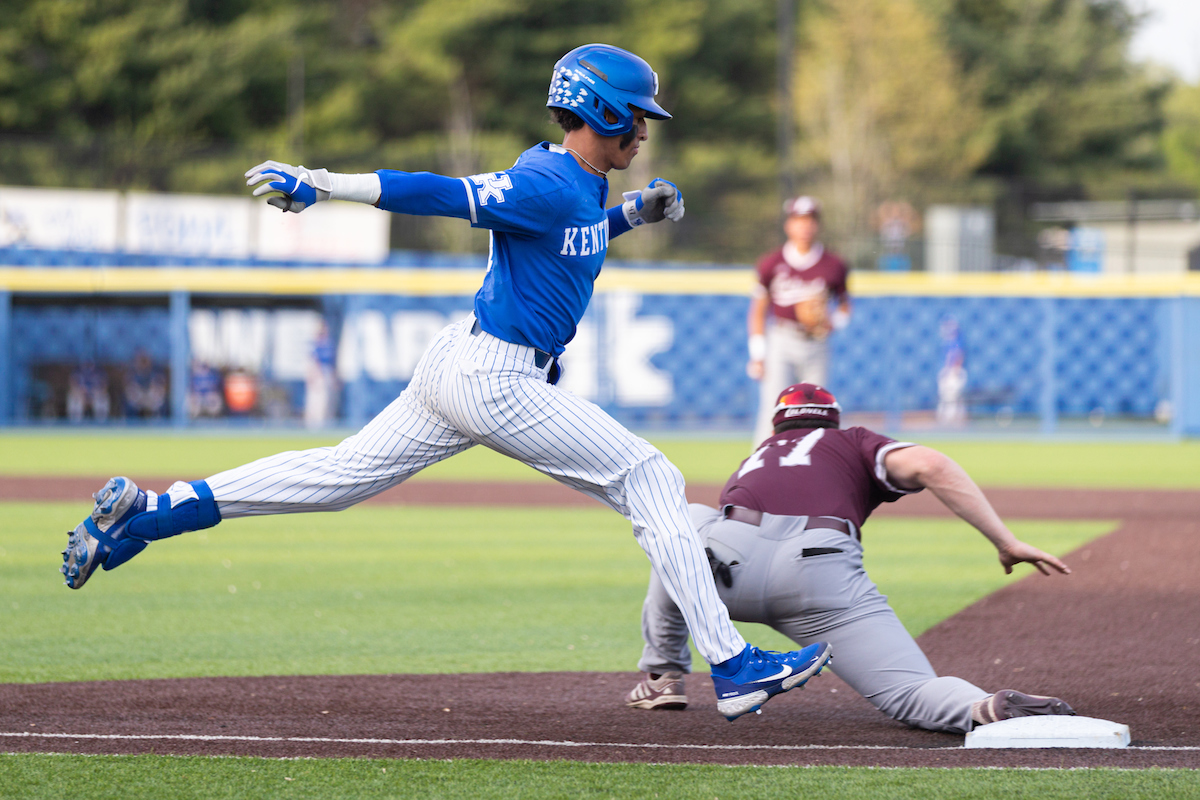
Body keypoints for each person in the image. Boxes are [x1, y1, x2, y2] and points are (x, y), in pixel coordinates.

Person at [59, 44, 831, 722]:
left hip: (460, 361)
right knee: (652, 477)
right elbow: (434, 190)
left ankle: (154, 514)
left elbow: (570, 233)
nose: (644, 131)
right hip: (495, 375)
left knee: (337, 477)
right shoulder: (546, 182)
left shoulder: (579, 182)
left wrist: (632, 214)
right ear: (597, 111)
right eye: (636, 117)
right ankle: (732, 666)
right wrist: (319, 183)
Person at [624, 383, 1076, 733]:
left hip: (728, 567)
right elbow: (932, 466)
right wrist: (1005, 541)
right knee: (910, 690)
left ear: (777, 426)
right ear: (832, 422)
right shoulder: (853, 441)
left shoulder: (757, 456)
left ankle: (663, 676)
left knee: (680, 531)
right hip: (819, 576)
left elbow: (679, 546)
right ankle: (983, 707)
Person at [747, 196, 851, 448]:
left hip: (817, 343)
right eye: (798, 220)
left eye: (810, 220)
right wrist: (758, 354)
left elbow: (845, 306)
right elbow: (758, 310)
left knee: (819, 409)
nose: (804, 226)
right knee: (774, 408)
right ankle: (759, 470)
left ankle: (816, 467)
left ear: (818, 225)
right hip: (781, 338)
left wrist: (832, 322)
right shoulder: (771, 263)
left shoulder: (834, 264)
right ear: (788, 225)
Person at [122, 350, 167, 420]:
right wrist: (142, 399)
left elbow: (159, 391)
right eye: (140, 361)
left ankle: (160, 425)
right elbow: (131, 392)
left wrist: (148, 399)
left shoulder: (155, 374)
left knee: (162, 404)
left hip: (151, 400)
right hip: (138, 400)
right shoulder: (132, 375)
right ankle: (132, 425)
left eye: (145, 360)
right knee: (129, 405)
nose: (143, 363)